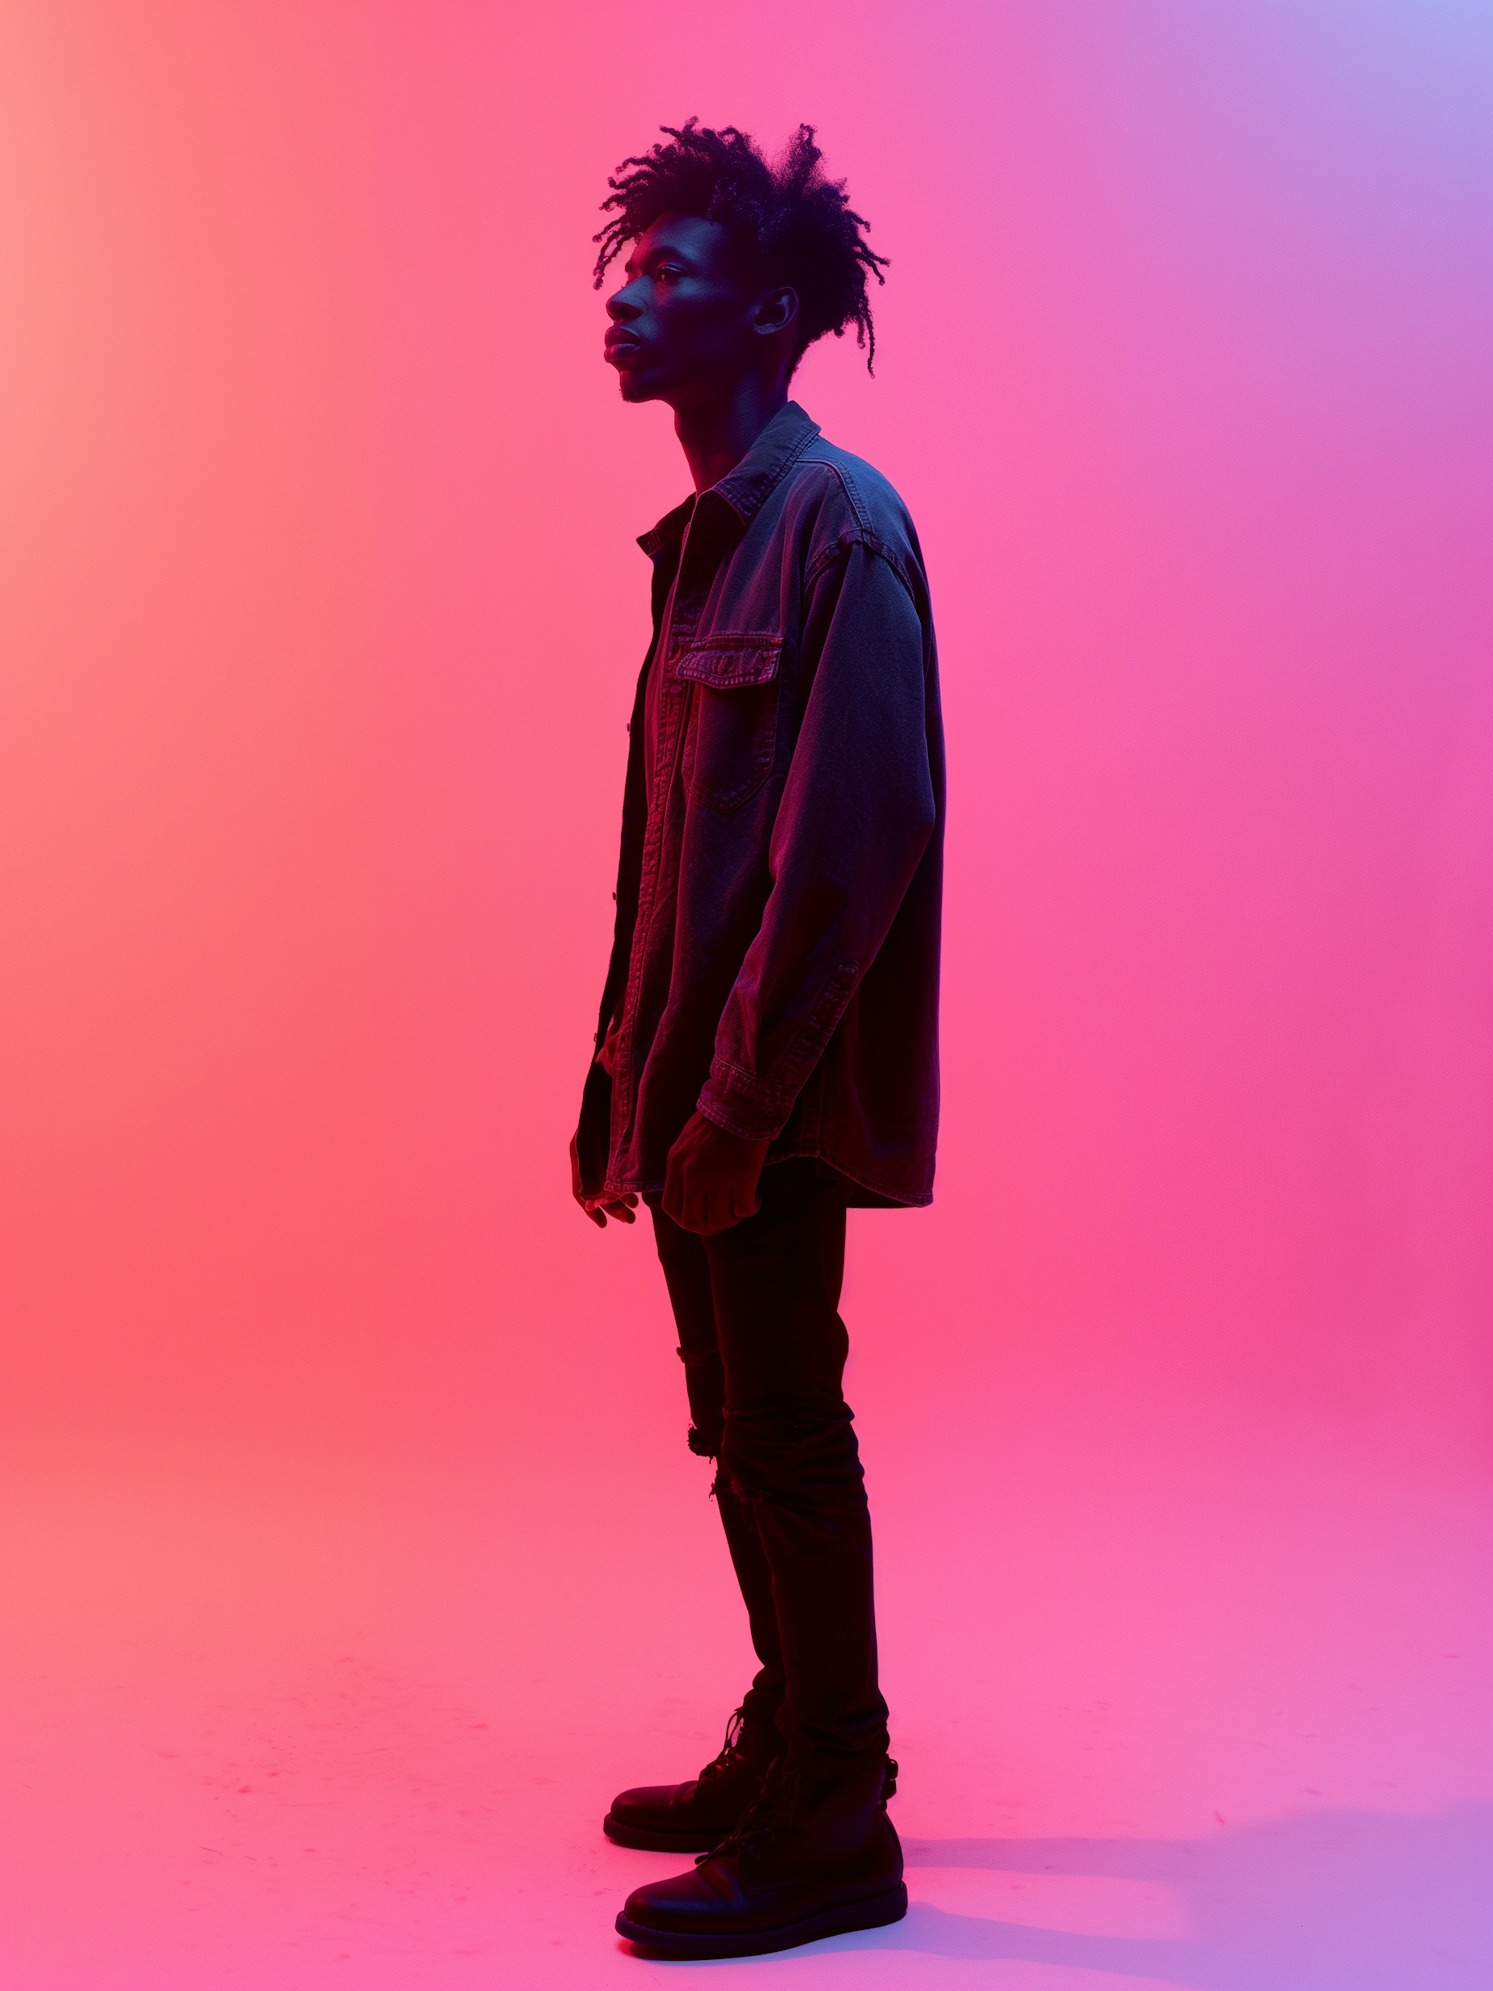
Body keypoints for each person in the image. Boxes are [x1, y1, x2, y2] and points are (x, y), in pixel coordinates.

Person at [571, 120, 945, 1960]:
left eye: (676, 270)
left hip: (769, 1108)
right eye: (626, 264)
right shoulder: (705, 540)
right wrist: (611, 1076)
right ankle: (792, 1736)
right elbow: (672, 854)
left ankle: (835, 1820)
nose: (632, 288)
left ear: (772, 312)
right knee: (741, 1431)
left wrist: (726, 1104)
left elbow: (847, 853)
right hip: (696, 1097)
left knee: (786, 1435)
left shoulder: (836, 527)